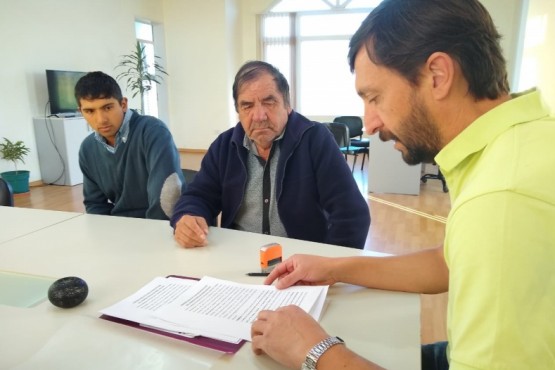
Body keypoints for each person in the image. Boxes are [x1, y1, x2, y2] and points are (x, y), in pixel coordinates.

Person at [250, 1, 555, 369]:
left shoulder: (501, 201)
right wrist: (334, 268)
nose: (370, 124)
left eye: (375, 97)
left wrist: (316, 351)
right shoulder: (520, 144)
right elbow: (448, 262)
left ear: (438, 75)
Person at [170, 61, 370, 249]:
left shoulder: (315, 140)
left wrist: (329, 264)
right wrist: (188, 215)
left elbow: (352, 214)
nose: (259, 116)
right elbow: (199, 196)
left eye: (269, 102)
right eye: (247, 106)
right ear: (238, 111)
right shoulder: (225, 146)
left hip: (301, 258)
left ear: (287, 105)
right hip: (237, 254)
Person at [75, 71, 185, 220]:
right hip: (124, 227)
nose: (101, 120)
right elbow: (95, 205)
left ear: (123, 104)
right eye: (90, 111)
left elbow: (167, 198)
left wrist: (154, 234)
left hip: (164, 224)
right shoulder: (88, 148)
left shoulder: (152, 131)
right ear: (81, 112)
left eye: (108, 107)